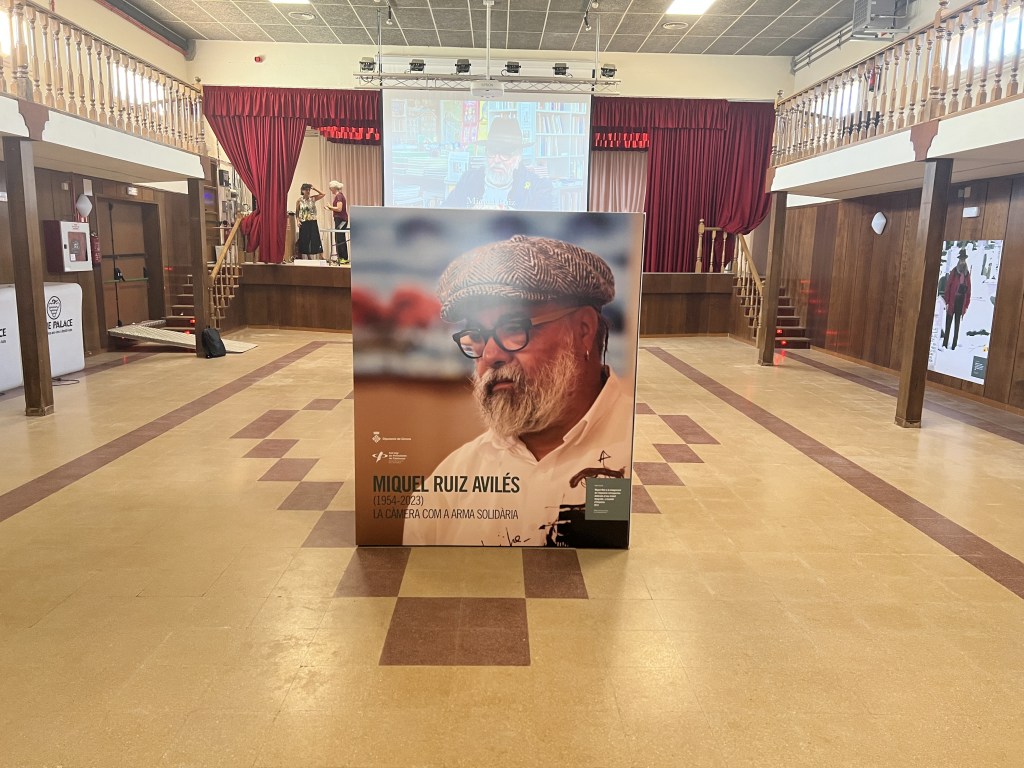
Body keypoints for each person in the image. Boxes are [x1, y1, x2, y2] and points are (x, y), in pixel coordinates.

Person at [402, 235, 634, 547]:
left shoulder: (638, 452)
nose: (490, 355)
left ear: (583, 330)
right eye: (477, 336)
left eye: (513, 328)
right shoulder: (447, 488)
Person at [442, 116, 554, 211]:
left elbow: (542, 225)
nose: (497, 160)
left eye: (505, 153)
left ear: (518, 157)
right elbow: (445, 212)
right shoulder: (468, 179)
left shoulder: (537, 187)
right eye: (492, 152)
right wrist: (469, 214)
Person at [942, 248, 972, 350]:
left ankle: (954, 345)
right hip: (952, 301)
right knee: (948, 323)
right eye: (961, 259)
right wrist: (946, 301)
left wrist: (966, 305)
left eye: (964, 259)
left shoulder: (967, 273)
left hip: (961, 301)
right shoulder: (954, 271)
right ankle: (945, 344)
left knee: (957, 325)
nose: (962, 261)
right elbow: (948, 286)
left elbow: (969, 290)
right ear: (959, 260)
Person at [295, 183, 324, 259]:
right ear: (302, 191)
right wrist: (297, 221)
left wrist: (314, 188)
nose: (308, 191)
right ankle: (308, 256)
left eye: (309, 190)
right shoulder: (299, 201)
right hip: (304, 222)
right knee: (305, 239)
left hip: (312, 221)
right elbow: (297, 212)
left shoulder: (313, 198)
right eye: (306, 190)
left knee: (315, 237)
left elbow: (323, 194)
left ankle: (321, 255)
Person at [325, 180, 349, 264]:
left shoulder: (339, 196)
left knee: (340, 238)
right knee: (339, 237)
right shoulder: (339, 196)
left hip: (341, 220)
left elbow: (339, 209)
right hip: (340, 219)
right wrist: (330, 208)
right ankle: (342, 257)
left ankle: (343, 257)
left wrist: (330, 207)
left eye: (330, 188)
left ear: (334, 188)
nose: (330, 189)